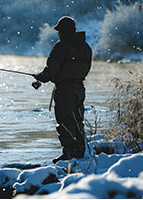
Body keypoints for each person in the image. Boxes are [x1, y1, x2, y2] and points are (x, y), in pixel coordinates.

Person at [33, 16, 92, 164]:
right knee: (78, 120)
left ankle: (69, 154)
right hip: (80, 87)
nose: (58, 34)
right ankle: (79, 151)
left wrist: (40, 77)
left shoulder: (61, 46)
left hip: (65, 90)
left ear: (63, 31)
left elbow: (51, 70)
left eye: (59, 31)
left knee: (65, 121)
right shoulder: (85, 47)